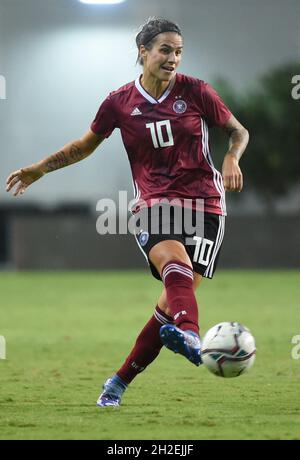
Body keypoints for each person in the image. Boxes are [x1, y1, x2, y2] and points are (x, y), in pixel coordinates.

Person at [6, 18, 249, 407]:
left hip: (206, 203)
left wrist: (232, 158)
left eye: (179, 51)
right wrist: (40, 168)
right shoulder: (119, 102)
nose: (173, 58)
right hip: (152, 203)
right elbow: (84, 146)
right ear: (143, 52)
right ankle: (191, 333)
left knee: (169, 305)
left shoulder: (198, 92)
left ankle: (117, 383)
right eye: (165, 50)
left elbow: (239, 131)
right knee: (174, 264)